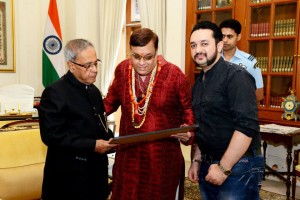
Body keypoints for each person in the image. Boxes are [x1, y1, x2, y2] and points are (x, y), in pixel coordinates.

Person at [104, 28, 195, 200]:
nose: (141, 62)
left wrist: (187, 131)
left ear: (156, 53)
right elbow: (109, 103)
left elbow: (188, 112)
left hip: (161, 159)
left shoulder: (174, 75)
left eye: (148, 57)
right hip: (128, 157)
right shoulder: (123, 70)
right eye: (136, 56)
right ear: (130, 52)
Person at [188, 21, 264, 200]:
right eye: (193, 45)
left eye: (204, 44)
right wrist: (197, 161)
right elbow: (202, 126)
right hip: (208, 165)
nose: (198, 49)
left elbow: (246, 126)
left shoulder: (236, 76)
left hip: (237, 166)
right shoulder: (199, 82)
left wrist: (223, 167)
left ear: (219, 45)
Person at [38, 39, 117, 200]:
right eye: (88, 65)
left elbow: (97, 126)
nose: (94, 70)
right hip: (69, 179)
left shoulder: (93, 91)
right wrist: (93, 145)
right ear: (71, 65)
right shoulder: (54, 92)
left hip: (95, 175)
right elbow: (51, 136)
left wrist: (114, 141)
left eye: (96, 63)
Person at [219, 19, 264, 101]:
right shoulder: (213, 59)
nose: (225, 40)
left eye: (229, 36)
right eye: (222, 36)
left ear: (238, 37)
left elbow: (259, 94)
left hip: (240, 111)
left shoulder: (250, 61)